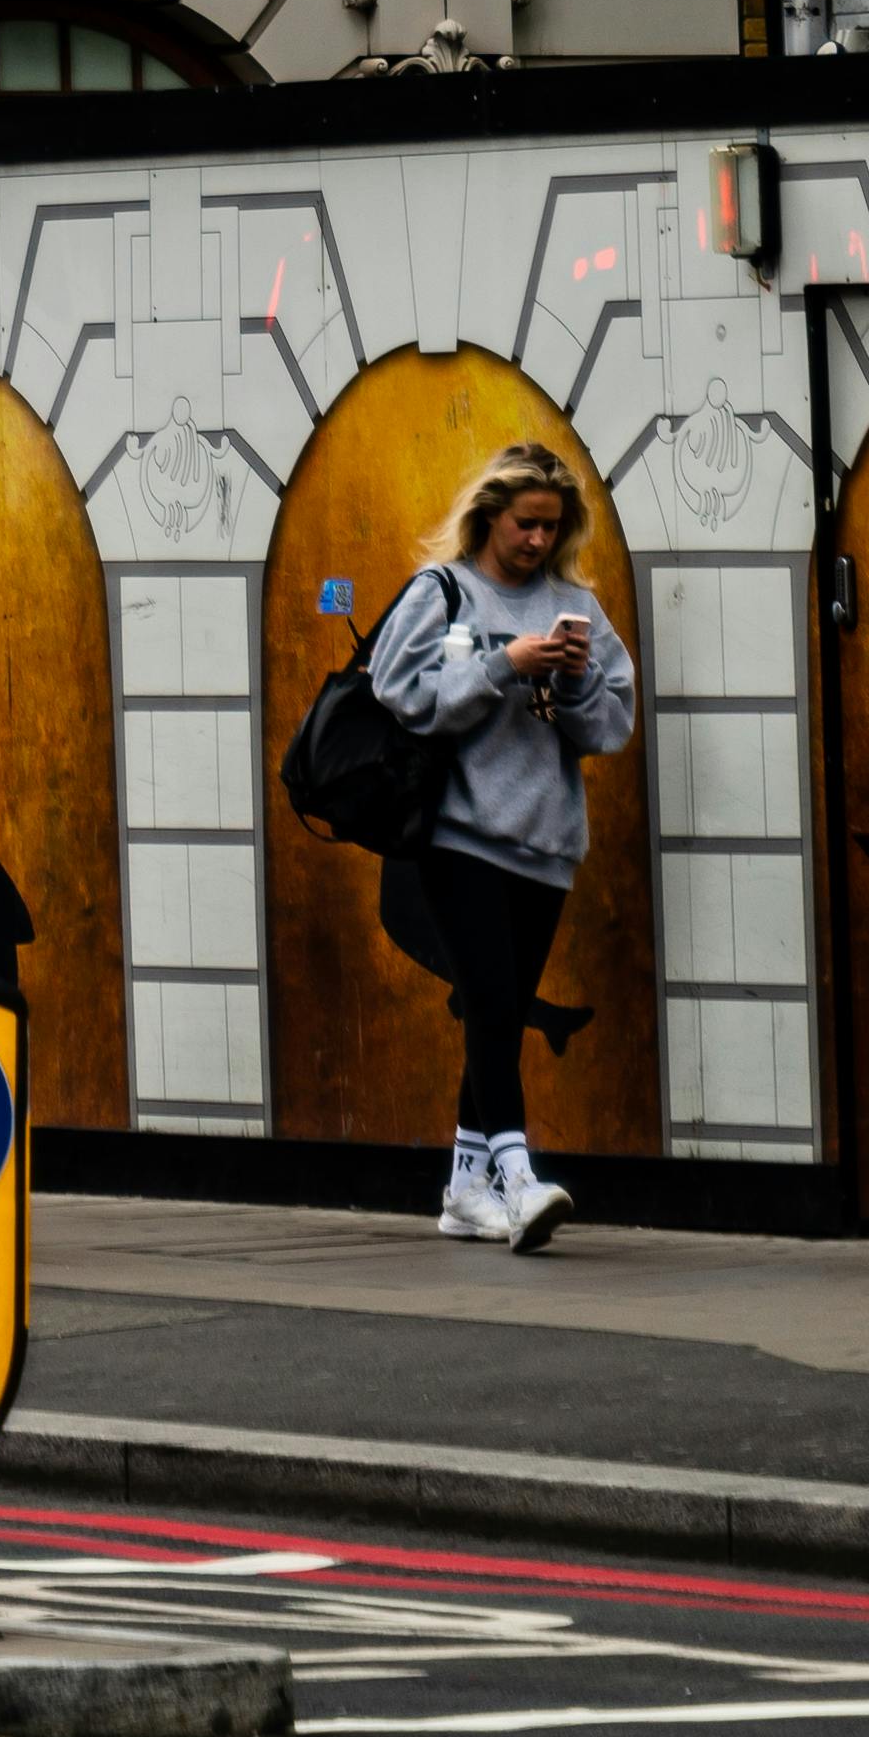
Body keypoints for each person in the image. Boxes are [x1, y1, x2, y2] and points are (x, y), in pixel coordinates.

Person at [368, 446, 637, 1254]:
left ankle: (462, 1188)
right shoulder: (442, 592)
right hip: (458, 833)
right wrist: (503, 664)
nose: (537, 541)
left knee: (503, 1011)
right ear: (491, 515)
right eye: (526, 524)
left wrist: (576, 678)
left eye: (552, 527)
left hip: (545, 841)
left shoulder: (573, 603)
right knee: (489, 1000)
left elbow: (611, 727)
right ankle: (518, 1182)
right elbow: (400, 693)